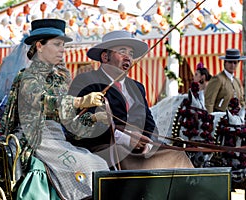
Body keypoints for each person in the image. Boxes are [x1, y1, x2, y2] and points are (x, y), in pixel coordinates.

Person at [0, 19, 109, 200]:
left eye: (63, 45)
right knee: (84, 165)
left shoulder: (58, 79)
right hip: (35, 140)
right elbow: (43, 101)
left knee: (99, 163)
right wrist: (80, 101)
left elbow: (69, 122)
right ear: (40, 46)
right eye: (57, 44)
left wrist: (95, 118)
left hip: (57, 139)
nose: (62, 49)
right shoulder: (27, 77)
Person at [67, 30, 193, 170]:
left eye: (131, 54)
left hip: (140, 151)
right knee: (126, 157)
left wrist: (148, 144)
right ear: (105, 57)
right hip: (105, 148)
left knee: (177, 154)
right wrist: (126, 139)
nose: (128, 57)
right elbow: (82, 124)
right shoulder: (86, 81)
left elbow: (150, 126)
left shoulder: (137, 87)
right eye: (122, 51)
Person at [205, 48, 246, 113]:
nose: (232, 65)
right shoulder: (218, 79)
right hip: (220, 117)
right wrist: (209, 119)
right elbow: (209, 102)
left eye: (235, 62)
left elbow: (241, 101)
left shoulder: (237, 81)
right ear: (225, 62)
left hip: (236, 118)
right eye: (230, 62)